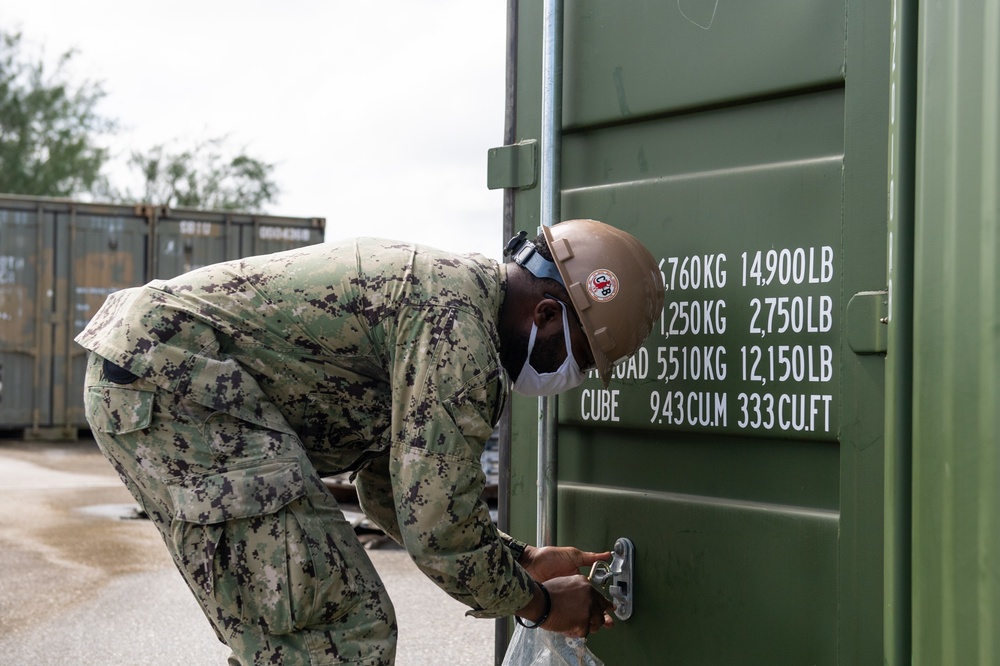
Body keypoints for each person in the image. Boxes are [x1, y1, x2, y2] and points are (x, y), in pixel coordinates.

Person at [77, 218, 664, 665]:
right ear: (544, 315)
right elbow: (440, 529)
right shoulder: (459, 334)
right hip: (176, 386)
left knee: (304, 634)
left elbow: (393, 488)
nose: (571, 378)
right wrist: (539, 604)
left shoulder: (455, 303)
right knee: (340, 629)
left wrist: (522, 562)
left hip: (160, 377)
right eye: (580, 359)